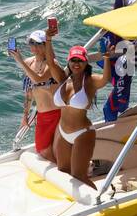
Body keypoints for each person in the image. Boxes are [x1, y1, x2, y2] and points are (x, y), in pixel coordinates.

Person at [48, 44, 115, 189]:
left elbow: (105, 79)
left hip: (82, 134)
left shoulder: (90, 81)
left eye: (80, 60)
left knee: (79, 176)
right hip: (63, 132)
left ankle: (99, 200)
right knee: (63, 172)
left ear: (86, 62)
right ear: (68, 62)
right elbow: (50, 61)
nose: (76, 64)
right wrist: (48, 39)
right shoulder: (63, 78)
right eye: (73, 60)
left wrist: (107, 58)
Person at [9, 26, 61, 161]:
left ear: (45, 45)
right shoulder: (29, 62)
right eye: (31, 43)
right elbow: (29, 93)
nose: (34, 46)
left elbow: (38, 79)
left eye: (38, 43)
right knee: (43, 149)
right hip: (42, 115)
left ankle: (67, 171)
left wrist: (20, 61)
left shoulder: (51, 64)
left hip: (57, 114)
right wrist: (25, 116)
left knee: (54, 149)